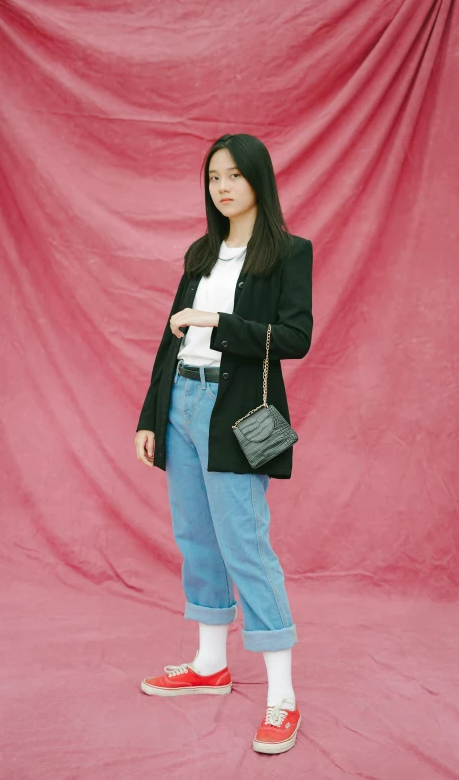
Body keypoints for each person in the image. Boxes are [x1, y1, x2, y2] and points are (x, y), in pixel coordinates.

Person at [134, 133, 313, 755]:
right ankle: (210, 664)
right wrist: (150, 416)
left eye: (234, 175)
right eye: (214, 177)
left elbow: (295, 338)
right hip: (182, 402)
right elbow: (168, 340)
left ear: (259, 180)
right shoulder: (199, 254)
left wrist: (218, 323)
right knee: (196, 537)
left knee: (245, 543)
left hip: (233, 410)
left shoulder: (289, 253)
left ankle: (282, 697)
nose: (223, 187)